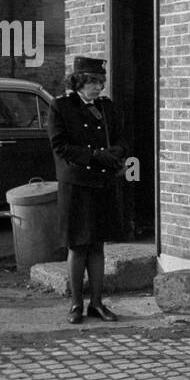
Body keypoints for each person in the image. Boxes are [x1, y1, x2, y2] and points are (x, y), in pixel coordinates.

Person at [48, 56, 127, 324]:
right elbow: (60, 146)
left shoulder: (106, 107)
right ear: (80, 81)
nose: (99, 87)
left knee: (97, 246)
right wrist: (95, 155)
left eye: (101, 82)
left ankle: (97, 303)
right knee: (78, 245)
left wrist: (116, 152)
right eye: (94, 82)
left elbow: (121, 138)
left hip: (102, 184)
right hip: (77, 186)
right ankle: (75, 305)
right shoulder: (61, 106)